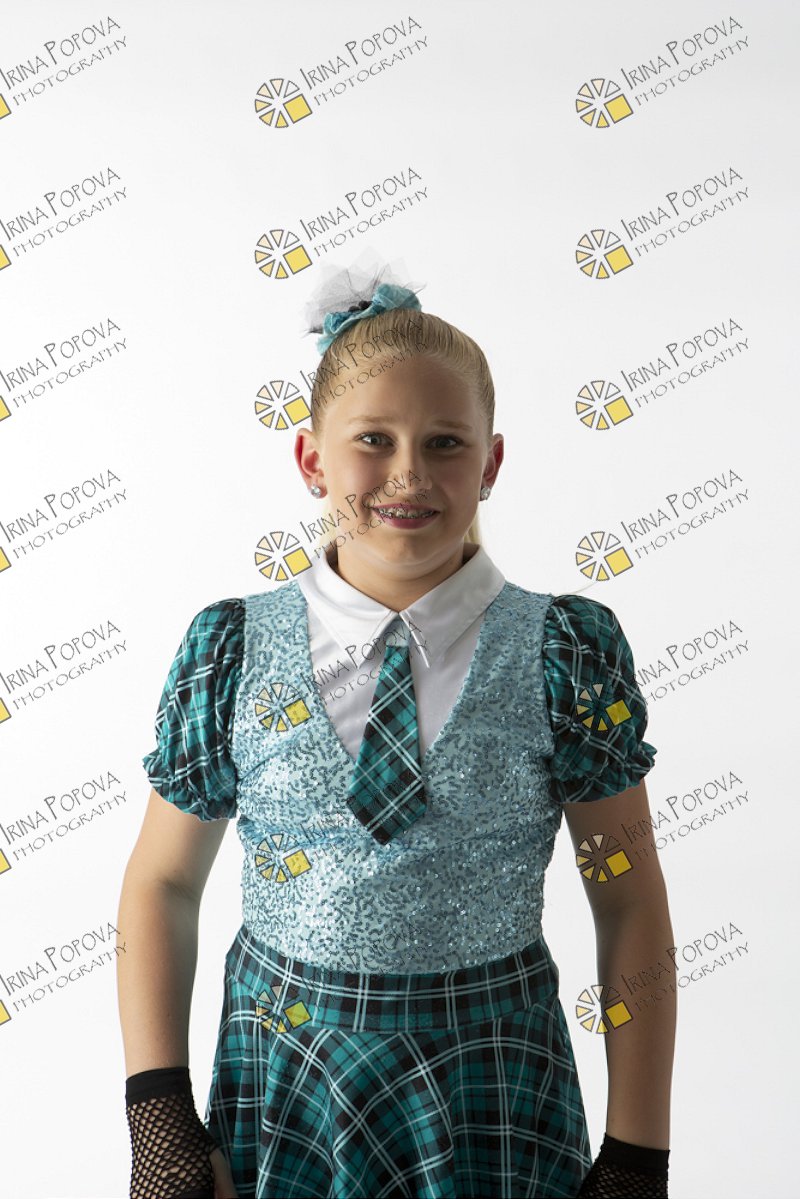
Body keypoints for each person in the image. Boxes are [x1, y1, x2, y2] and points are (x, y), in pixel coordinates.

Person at [116, 266, 675, 1199]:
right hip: (286, 1088)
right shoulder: (232, 650)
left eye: (445, 443)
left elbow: (628, 901)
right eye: (373, 440)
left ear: (492, 463)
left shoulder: (565, 653)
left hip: (495, 1087)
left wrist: (635, 1157)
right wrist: (160, 1119)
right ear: (311, 461)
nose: (409, 474)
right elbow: (163, 882)